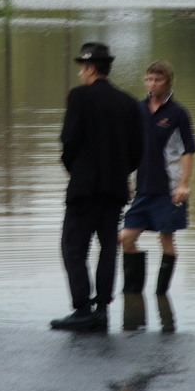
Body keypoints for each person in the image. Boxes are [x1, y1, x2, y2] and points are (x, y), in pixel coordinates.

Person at [52, 42, 143, 332]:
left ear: (90, 68)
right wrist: (121, 174)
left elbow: (69, 141)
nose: (80, 73)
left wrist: (73, 169)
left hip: (84, 188)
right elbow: (137, 150)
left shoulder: (79, 97)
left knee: (73, 248)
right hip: (115, 189)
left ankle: (82, 309)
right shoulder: (128, 102)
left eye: (82, 67)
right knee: (107, 249)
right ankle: (102, 309)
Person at [121, 59, 195, 298]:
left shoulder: (177, 113)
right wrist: (125, 181)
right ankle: (133, 294)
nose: (152, 84)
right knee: (125, 238)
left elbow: (189, 150)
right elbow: (127, 147)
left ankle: (160, 295)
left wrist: (184, 184)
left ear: (169, 82)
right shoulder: (137, 108)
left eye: (158, 79)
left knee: (166, 239)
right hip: (143, 188)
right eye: (149, 79)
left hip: (169, 189)